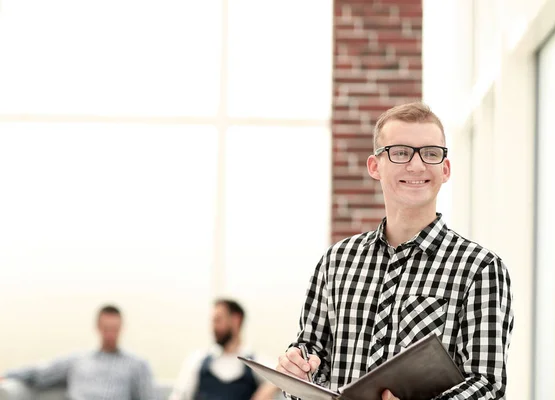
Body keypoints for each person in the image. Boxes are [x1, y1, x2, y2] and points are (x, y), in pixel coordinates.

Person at [275, 102, 514, 400]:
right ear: (375, 166)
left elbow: (487, 384)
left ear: (445, 169)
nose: (417, 166)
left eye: (430, 153)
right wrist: (297, 369)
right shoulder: (336, 261)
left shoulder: (480, 269)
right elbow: (311, 356)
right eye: (400, 153)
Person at [0, 304, 155, 400]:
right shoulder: (78, 361)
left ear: (122, 328)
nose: (110, 335)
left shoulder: (137, 365)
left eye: (114, 329)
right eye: (106, 329)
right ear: (98, 327)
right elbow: (41, 373)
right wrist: (7, 375)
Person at [169, 299, 280, 400]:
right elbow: (178, 396)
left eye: (218, 320)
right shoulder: (197, 360)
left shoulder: (257, 362)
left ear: (236, 320)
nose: (213, 327)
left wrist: (267, 390)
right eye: (213, 321)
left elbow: (283, 376)